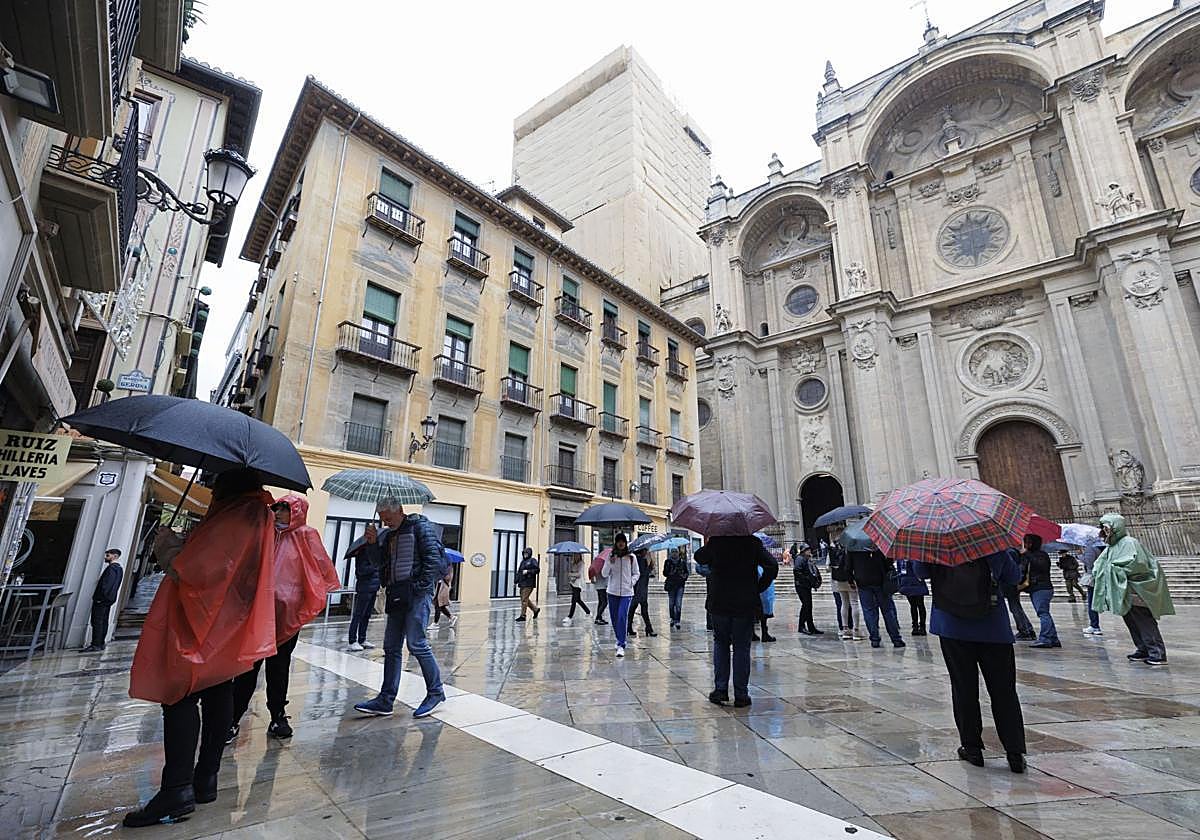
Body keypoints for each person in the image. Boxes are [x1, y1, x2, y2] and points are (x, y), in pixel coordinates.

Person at [123, 469, 278, 828]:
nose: (210, 492)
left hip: (206, 621)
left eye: (215, 485)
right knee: (219, 688)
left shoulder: (238, 515)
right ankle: (205, 777)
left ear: (229, 484)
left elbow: (200, 571)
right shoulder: (256, 514)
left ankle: (177, 788)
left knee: (180, 694)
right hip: (230, 620)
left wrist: (169, 548)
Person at [230, 495, 339, 744]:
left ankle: (277, 716)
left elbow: (322, 569)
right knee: (248, 667)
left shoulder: (306, 535)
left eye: (284, 509)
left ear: (296, 512)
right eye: (276, 508)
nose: (278, 513)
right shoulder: (266, 534)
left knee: (278, 668)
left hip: (287, 616)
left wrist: (302, 599)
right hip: (260, 614)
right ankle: (233, 718)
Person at [918, 550, 1027, 774]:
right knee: (1004, 692)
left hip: (952, 627)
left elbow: (920, 573)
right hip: (993, 628)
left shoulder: (934, 543)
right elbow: (1014, 577)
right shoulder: (992, 545)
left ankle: (972, 748)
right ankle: (1014, 752)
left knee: (963, 689)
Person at [354, 498, 446, 718]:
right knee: (391, 647)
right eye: (382, 519)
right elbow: (379, 564)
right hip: (396, 594)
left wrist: (419, 588)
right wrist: (373, 544)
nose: (385, 523)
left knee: (416, 643)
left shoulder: (421, 527)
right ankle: (386, 700)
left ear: (400, 511)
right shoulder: (388, 535)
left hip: (416, 595)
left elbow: (432, 560)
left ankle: (436, 692)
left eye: (388, 518)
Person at [696, 533, 778, 708]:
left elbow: (699, 556)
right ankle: (741, 694)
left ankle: (721, 690)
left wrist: (711, 543)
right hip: (745, 602)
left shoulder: (717, 541)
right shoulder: (753, 543)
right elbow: (772, 565)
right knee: (742, 647)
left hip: (720, 602)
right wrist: (758, 587)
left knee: (721, 643)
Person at [1092, 513, 1174, 666]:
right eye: (1103, 528)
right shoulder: (1111, 547)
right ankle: (1142, 648)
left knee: (1143, 620)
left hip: (1137, 589)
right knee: (1130, 620)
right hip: (1122, 591)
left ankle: (1157, 652)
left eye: (1107, 528)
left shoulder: (1129, 543)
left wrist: (1111, 568)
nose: (1104, 531)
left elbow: (1138, 564)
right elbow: (1100, 564)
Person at [851, 548, 905, 649]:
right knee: (888, 611)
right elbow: (889, 562)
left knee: (869, 611)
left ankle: (875, 639)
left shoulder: (854, 544)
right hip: (881, 581)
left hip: (863, 581)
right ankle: (896, 639)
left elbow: (848, 566)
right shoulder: (880, 543)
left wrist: (851, 580)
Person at [345, 523, 383, 650]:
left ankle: (362, 638)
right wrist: (375, 567)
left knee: (367, 615)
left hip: (374, 587)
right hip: (364, 587)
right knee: (359, 614)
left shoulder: (375, 551)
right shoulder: (363, 551)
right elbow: (361, 571)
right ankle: (352, 640)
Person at [602, 533, 638, 657]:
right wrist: (610, 562)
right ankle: (619, 639)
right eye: (619, 541)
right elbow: (604, 574)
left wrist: (631, 583)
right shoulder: (611, 557)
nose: (621, 543)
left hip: (627, 593)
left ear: (626, 543)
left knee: (622, 616)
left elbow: (636, 573)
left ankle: (621, 644)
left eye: (623, 541)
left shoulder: (632, 557)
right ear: (616, 543)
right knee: (614, 618)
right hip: (612, 592)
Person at [1023, 534, 1060, 649]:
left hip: (1040, 588)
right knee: (1045, 612)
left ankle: (1045, 638)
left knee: (1042, 613)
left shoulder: (1034, 555)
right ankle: (1053, 638)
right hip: (1043, 588)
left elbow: (1036, 567)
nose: (1025, 544)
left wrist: (1026, 555)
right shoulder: (1041, 555)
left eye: (1028, 542)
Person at [84, 548, 123, 652]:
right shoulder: (119, 569)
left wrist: (100, 598)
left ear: (115, 556)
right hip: (109, 599)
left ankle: (96, 644)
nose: (106, 557)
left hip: (102, 600)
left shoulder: (111, 569)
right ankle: (100, 643)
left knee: (97, 621)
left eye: (108, 555)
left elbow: (106, 585)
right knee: (104, 621)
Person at [828, 528, 863, 641]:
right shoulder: (849, 548)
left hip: (838, 579)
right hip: (850, 579)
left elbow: (829, 567)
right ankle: (856, 630)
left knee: (844, 604)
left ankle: (845, 629)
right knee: (854, 603)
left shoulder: (833, 549)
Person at [1000, 563, 1036, 641]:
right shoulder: (1014, 553)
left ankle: (1025, 631)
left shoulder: (1010, 553)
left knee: (1015, 609)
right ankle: (1028, 630)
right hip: (1012, 586)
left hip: (1010, 586)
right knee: (1016, 608)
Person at [792, 544, 822, 635]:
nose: (809, 551)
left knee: (808, 606)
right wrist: (807, 579)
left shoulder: (806, 559)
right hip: (802, 586)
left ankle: (811, 626)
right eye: (807, 550)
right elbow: (797, 571)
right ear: (803, 551)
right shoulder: (800, 559)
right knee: (806, 606)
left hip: (806, 586)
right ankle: (801, 626)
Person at [627, 548, 657, 637]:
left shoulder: (634, 559)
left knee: (632, 609)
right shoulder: (640, 560)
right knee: (643, 609)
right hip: (640, 589)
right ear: (642, 551)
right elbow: (644, 573)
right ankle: (649, 628)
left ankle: (629, 628)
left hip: (636, 588)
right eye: (645, 551)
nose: (646, 552)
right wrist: (651, 563)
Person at [897, 559, 928, 636]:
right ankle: (922, 627)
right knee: (920, 605)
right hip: (917, 582)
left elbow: (900, 571)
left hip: (906, 583)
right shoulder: (916, 557)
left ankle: (915, 627)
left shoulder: (900, 558)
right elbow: (920, 570)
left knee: (913, 606)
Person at [663, 548, 689, 630]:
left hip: (680, 585)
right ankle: (672, 618)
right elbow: (665, 573)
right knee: (671, 603)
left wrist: (684, 577)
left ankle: (677, 620)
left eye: (676, 552)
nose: (674, 554)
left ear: (678, 553)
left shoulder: (682, 562)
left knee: (678, 604)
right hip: (671, 585)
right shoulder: (668, 562)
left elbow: (686, 572)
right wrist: (670, 571)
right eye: (673, 552)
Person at [1080, 539, 1103, 636]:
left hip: (1093, 577)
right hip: (1100, 575)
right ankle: (1095, 625)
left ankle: (1094, 625)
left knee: (1091, 602)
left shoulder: (1090, 547)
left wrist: (1080, 555)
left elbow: (1089, 563)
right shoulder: (1101, 546)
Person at [562, 551, 591, 625]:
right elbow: (573, 572)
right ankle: (588, 612)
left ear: (580, 556)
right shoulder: (573, 563)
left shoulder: (581, 563)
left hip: (578, 585)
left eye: (577, 555)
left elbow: (579, 574)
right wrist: (571, 573)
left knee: (574, 601)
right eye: (575, 555)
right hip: (573, 583)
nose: (576, 556)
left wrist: (571, 574)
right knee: (578, 600)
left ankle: (569, 617)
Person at [514, 547, 541, 622]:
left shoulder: (533, 561)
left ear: (529, 554)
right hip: (522, 583)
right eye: (524, 554)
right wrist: (515, 581)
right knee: (524, 599)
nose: (525, 555)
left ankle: (523, 615)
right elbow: (519, 572)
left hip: (529, 583)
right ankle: (535, 610)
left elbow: (537, 570)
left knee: (524, 599)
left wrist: (528, 571)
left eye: (527, 553)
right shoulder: (522, 562)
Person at [754, 562, 777, 642]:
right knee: (763, 615)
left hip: (760, 592)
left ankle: (756, 634)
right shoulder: (763, 566)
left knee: (757, 614)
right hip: (763, 593)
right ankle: (764, 634)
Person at [590, 550, 609, 626]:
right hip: (602, 586)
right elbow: (604, 575)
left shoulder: (597, 565)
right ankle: (598, 617)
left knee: (601, 602)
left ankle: (599, 618)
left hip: (598, 586)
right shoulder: (602, 565)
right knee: (604, 603)